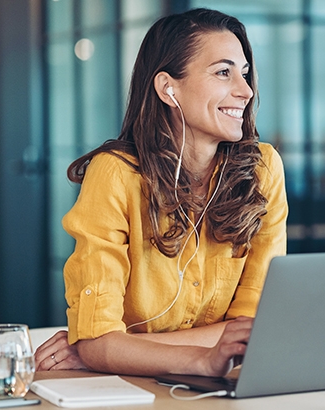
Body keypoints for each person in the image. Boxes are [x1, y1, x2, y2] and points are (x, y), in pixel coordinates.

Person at [34, 8, 287, 377]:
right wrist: (200, 355)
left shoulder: (263, 170)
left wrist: (112, 350)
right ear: (169, 87)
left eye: (245, 74)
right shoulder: (116, 174)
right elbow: (98, 340)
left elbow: (251, 333)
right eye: (223, 72)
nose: (245, 91)